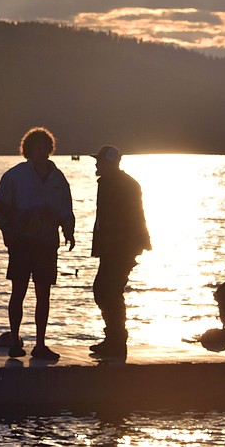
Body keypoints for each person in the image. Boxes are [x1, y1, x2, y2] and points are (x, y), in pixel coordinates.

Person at [0, 127, 75, 362]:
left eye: (44, 146)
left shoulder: (58, 178)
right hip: (22, 242)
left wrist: (69, 231)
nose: (41, 151)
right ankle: (15, 340)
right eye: (36, 146)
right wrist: (8, 232)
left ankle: (40, 344)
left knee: (43, 294)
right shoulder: (14, 176)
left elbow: (66, 207)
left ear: (49, 149)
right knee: (18, 292)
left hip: (47, 242)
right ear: (28, 150)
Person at [88, 145, 150, 358]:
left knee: (108, 292)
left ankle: (116, 341)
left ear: (109, 163)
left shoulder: (122, 184)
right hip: (112, 248)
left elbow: (136, 215)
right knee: (105, 291)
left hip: (120, 249)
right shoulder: (109, 182)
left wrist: (138, 245)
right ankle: (113, 339)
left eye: (99, 161)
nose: (96, 164)